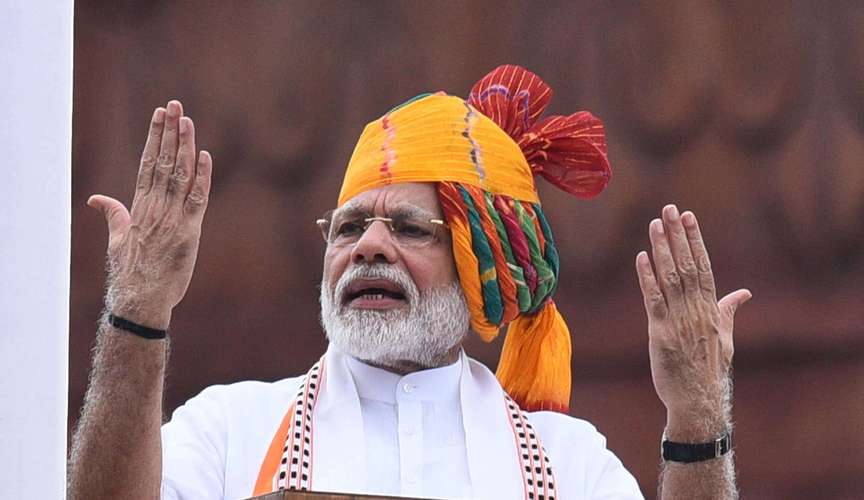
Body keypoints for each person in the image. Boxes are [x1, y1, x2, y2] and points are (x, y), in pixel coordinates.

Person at [68, 65, 751, 499]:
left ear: (476, 265)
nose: (368, 246)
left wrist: (697, 419)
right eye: (347, 227)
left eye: (408, 228)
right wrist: (137, 315)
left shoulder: (567, 464)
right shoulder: (230, 430)